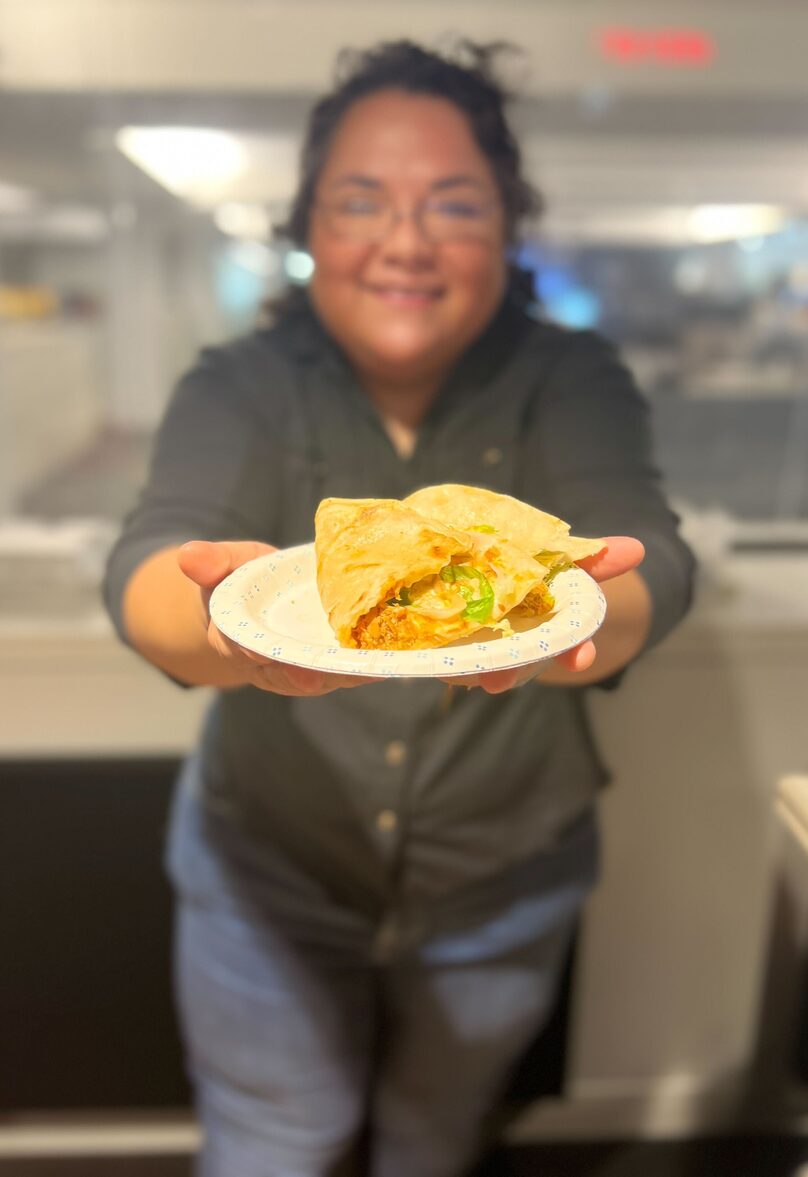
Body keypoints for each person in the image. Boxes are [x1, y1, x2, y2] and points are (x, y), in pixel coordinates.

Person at [104, 39, 695, 1177]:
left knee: (429, 1145)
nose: (405, 241)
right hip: (267, 867)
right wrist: (220, 621)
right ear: (309, 226)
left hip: (502, 874)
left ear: (507, 228)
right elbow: (150, 568)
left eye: (453, 204)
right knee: (274, 1145)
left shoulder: (569, 381)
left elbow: (646, 562)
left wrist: (575, 613)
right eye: (361, 200)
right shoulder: (240, 385)